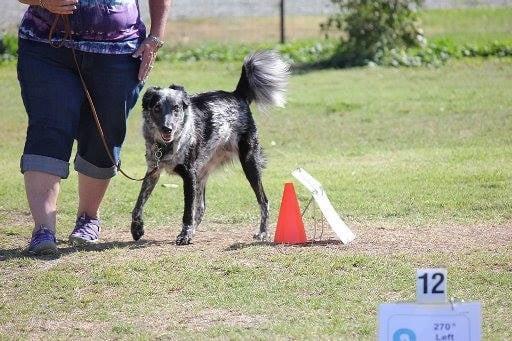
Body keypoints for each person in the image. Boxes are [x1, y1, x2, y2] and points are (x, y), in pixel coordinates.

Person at [17, 0, 171, 255]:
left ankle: (88, 218)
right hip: (46, 47)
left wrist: (155, 37)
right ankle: (43, 230)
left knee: (103, 136)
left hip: (119, 52)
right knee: (47, 130)